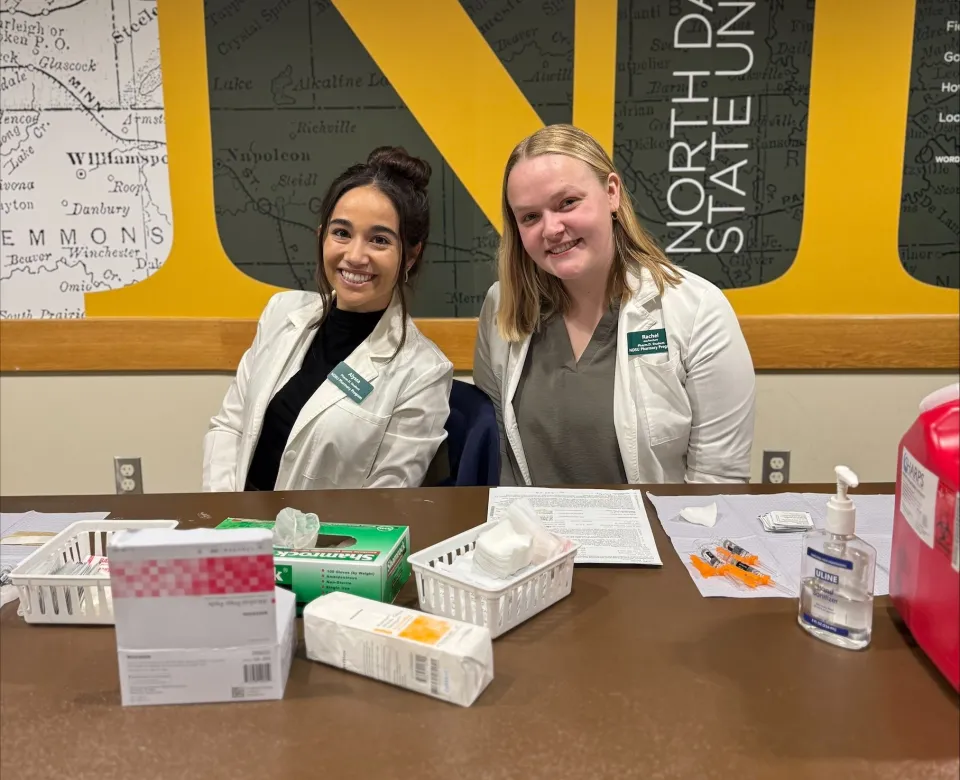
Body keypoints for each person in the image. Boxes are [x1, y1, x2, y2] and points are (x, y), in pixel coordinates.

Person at [473, 124, 756, 486]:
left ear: (611, 193)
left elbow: (718, 480)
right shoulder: (503, 307)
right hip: (539, 538)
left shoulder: (697, 310)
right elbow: (501, 459)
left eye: (567, 203)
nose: (551, 228)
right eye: (530, 216)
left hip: (656, 539)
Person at [202, 147, 453, 492]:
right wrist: (226, 525)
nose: (354, 255)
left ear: (410, 255)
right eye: (342, 233)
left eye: (379, 240)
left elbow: (388, 498)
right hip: (237, 534)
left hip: (325, 542)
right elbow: (230, 427)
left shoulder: (423, 373)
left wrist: (292, 543)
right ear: (322, 235)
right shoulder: (280, 313)